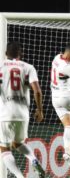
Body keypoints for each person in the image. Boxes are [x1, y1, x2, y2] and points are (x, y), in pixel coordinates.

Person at [0, 42, 45, 178]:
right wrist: (40, 110)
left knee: (4, 148)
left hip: (5, 113)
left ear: (6, 53)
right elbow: (37, 91)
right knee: (18, 143)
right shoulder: (28, 67)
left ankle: (20, 176)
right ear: (21, 54)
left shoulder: (1, 66)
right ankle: (33, 159)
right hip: (23, 114)